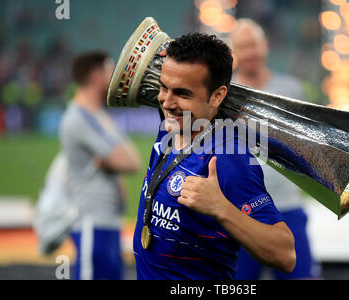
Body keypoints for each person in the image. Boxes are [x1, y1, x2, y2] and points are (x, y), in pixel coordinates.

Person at [133, 33, 296, 280]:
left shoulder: (227, 158)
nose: (166, 102)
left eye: (182, 93)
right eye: (164, 87)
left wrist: (221, 208)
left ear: (217, 96)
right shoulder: (170, 127)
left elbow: (285, 255)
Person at [230, 19, 320, 279]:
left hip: (287, 205)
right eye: (243, 47)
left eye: (253, 45)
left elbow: (307, 144)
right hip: (240, 211)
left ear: (265, 46)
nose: (249, 53)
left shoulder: (291, 90)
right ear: (234, 52)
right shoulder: (226, 93)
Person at [60, 52, 141, 280]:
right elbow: (130, 162)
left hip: (105, 223)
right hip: (91, 224)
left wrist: (112, 162)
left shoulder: (96, 115)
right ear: (96, 76)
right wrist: (115, 161)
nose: (116, 77)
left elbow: (131, 159)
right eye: (110, 71)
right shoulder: (80, 117)